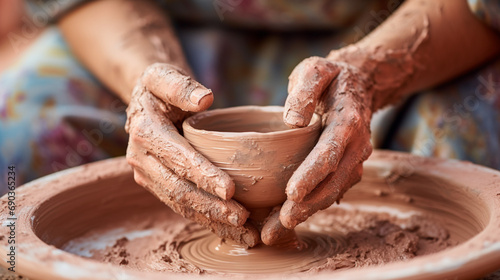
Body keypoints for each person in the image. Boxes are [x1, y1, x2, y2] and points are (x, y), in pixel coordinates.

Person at [1, 0, 499, 246]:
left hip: (412, 30)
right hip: (148, 28)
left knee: (464, 161)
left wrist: (367, 73)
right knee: (14, 153)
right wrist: (144, 77)